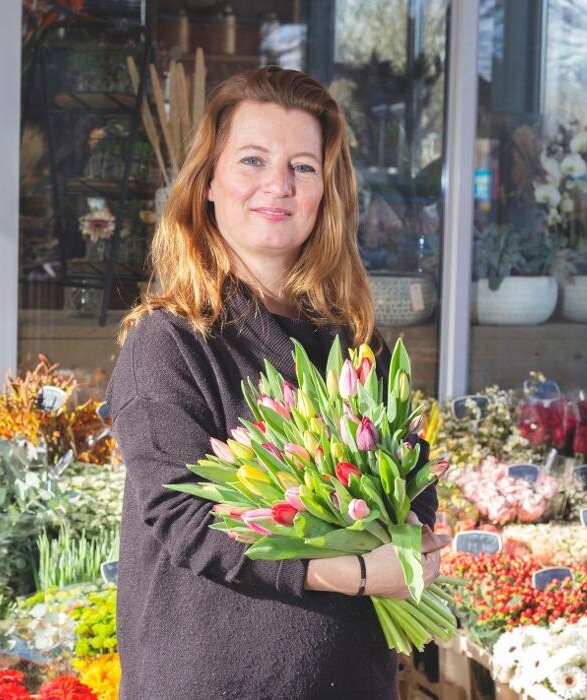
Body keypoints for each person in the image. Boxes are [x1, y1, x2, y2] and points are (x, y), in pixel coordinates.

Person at [106, 65, 446, 699]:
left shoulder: (353, 338)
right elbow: (186, 518)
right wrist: (345, 572)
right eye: (254, 161)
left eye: (303, 167)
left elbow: (409, 469)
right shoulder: (172, 343)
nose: (278, 186)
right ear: (208, 182)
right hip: (217, 685)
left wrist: (413, 540)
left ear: (326, 191)